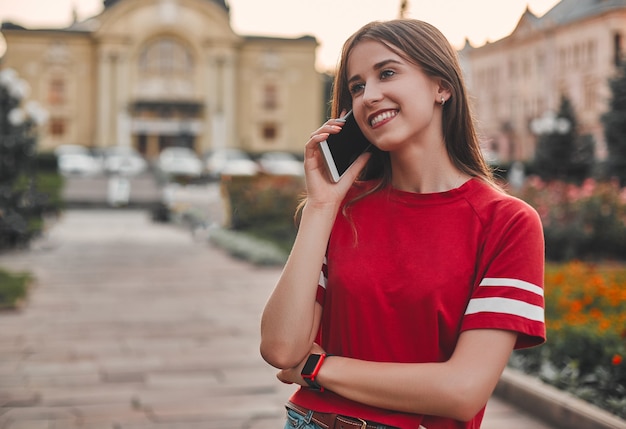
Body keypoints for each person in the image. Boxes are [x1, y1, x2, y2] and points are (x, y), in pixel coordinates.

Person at [260, 19, 545, 429]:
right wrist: (320, 207)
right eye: (356, 87)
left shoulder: (507, 222)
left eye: (387, 73)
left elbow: (462, 391)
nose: (369, 96)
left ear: (441, 87)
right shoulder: (339, 210)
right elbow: (280, 347)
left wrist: (317, 368)